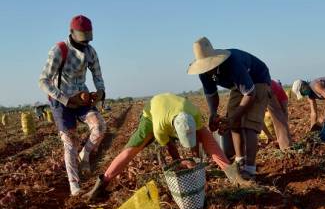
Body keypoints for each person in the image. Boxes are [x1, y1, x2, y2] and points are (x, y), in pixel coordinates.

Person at [87, 92, 248, 199]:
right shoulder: (160, 126)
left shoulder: (194, 114)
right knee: (131, 150)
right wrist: (179, 163)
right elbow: (170, 146)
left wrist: (195, 161)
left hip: (177, 109)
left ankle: (231, 172)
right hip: (151, 114)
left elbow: (207, 143)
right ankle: (103, 182)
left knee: (207, 138)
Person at [187, 37, 289, 181]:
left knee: (249, 125)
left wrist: (234, 117)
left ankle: (250, 169)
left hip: (258, 80)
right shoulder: (203, 73)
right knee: (233, 122)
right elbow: (212, 95)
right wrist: (213, 113)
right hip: (239, 86)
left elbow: (251, 93)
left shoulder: (232, 63)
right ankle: (240, 160)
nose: (208, 70)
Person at [39, 15, 106, 196]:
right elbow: (43, 81)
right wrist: (66, 100)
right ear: (72, 33)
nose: (85, 43)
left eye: (88, 39)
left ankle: (85, 154)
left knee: (99, 126)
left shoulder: (91, 52)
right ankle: (74, 185)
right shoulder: (59, 50)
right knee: (70, 143)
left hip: (82, 98)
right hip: (61, 101)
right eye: (82, 38)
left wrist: (99, 91)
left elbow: (98, 76)